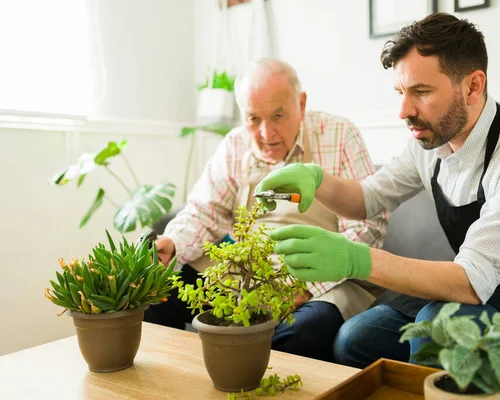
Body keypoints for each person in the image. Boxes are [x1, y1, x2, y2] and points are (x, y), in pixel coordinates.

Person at [254, 13, 500, 378]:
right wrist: (316, 179)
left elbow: (468, 279)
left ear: (472, 86)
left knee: (440, 333)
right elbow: (366, 200)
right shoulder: (429, 143)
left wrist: (356, 260)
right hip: (486, 288)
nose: (404, 111)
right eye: (401, 93)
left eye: (421, 91)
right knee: (355, 339)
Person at [145, 58, 387, 363]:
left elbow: (366, 228)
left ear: (301, 103)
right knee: (156, 298)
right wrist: (174, 243)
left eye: (278, 116)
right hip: (247, 275)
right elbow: (204, 212)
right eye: (253, 119)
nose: (265, 133)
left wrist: (305, 288)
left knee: (302, 332)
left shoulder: (338, 135)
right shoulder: (234, 145)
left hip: (324, 279)